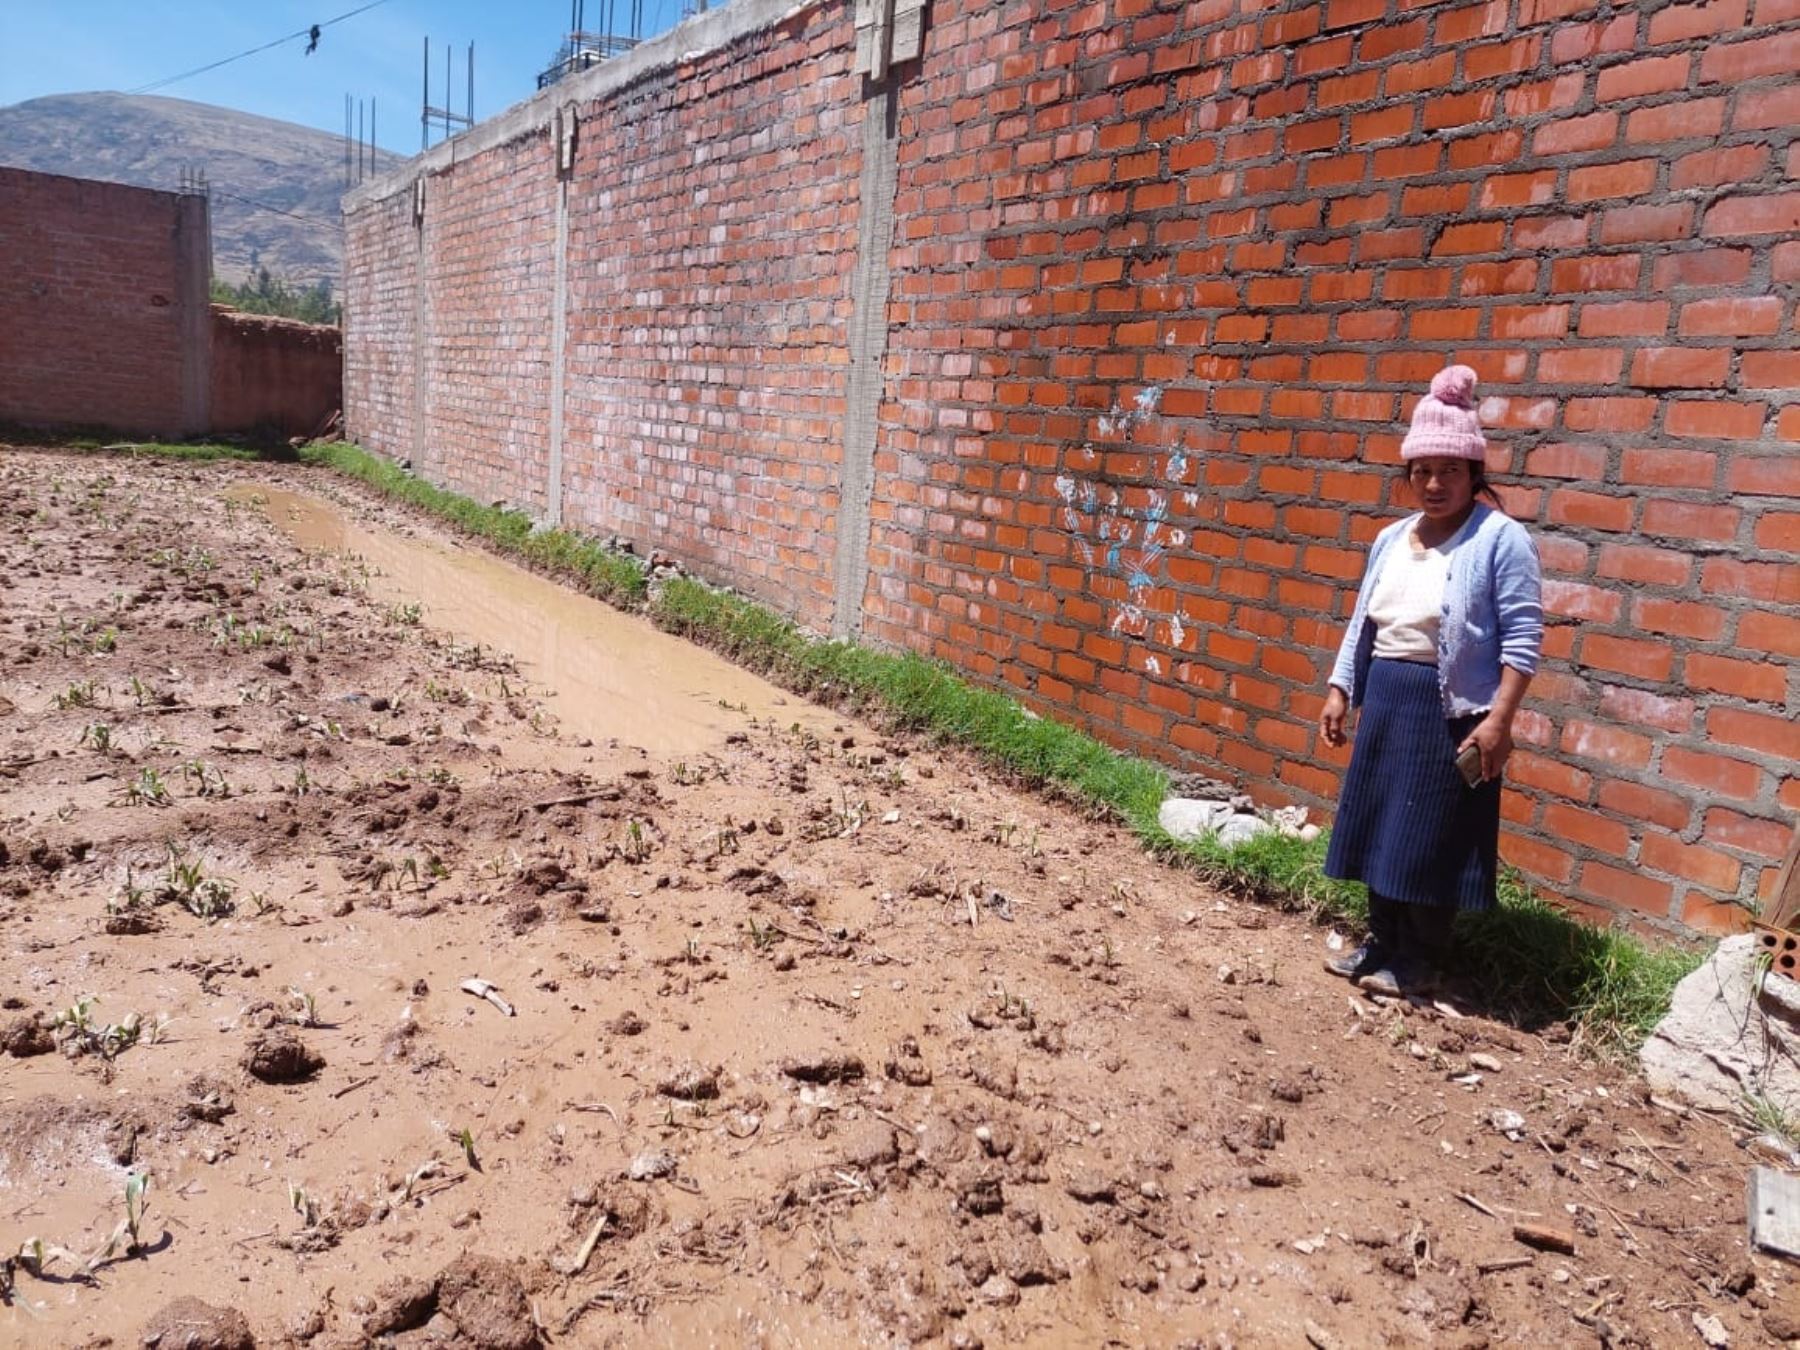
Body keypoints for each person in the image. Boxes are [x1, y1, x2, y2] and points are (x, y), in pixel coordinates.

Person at [1317, 365, 1543, 996]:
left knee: (1431, 837)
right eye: (1422, 471)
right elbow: (1365, 619)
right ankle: (1381, 942)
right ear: (1407, 474)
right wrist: (1342, 688)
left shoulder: (1501, 540)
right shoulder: (1392, 538)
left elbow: (1524, 641)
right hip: (1387, 699)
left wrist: (1498, 721)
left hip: (1451, 711)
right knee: (1379, 825)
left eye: (1450, 469)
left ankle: (1420, 959)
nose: (1434, 483)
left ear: (1475, 474)